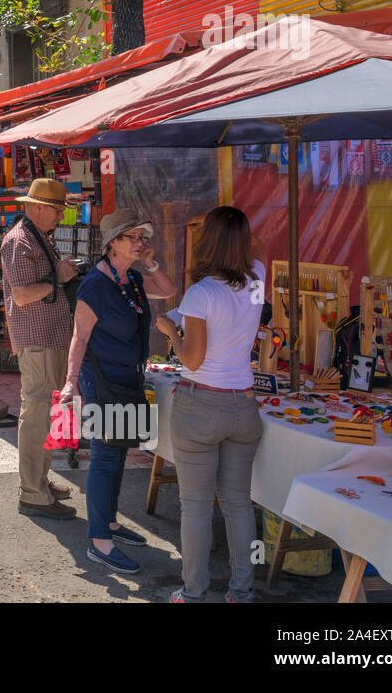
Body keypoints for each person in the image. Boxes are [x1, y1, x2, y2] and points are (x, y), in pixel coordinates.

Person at [60, 208, 178, 574]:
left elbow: (170, 291)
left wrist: (152, 262)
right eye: (134, 238)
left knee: (120, 452)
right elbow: (79, 337)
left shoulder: (131, 278)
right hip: (102, 379)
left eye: (143, 237)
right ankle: (99, 540)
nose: (141, 243)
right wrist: (70, 382)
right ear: (113, 243)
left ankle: (109, 523)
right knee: (105, 456)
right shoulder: (95, 284)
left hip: (127, 376)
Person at [156, 206, 264, 603]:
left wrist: (170, 329)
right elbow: (261, 246)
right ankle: (241, 591)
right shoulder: (257, 279)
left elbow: (192, 358)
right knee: (238, 504)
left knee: (196, 506)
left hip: (202, 404)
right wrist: (236, 225)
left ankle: (194, 591)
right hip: (244, 405)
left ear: (207, 243)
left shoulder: (201, 293)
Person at [2, 179, 81, 520]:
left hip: (50, 336)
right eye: (56, 210)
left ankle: (39, 481)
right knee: (37, 413)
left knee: (48, 413)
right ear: (36, 207)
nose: (60, 217)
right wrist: (58, 278)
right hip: (38, 338)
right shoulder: (20, 242)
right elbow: (21, 296)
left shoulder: (34, 237)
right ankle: (32, 492)